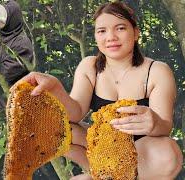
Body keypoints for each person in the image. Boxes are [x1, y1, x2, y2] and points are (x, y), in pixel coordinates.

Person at [16, 2, 183, 179]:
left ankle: (107, 176)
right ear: (96, 36)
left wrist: (155, 122)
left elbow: (165, 127)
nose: (110, 37)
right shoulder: (89, 66)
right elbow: (75, 113)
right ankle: (101, 173)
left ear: (135, 33)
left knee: (168, 153)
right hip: (102, 148)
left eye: (120, 28)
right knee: (55, 128)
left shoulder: (157, 71)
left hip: (142, 153)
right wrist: (55, 88)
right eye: (102, 31)